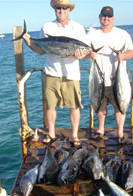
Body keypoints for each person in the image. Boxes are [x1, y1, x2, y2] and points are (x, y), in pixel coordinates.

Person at [22, 0, 87, 146]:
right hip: (51, 72)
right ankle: (51, 134)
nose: (61, 10)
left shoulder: (77, 27)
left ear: (69, 9)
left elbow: (83, 52)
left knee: (74, 106)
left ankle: (74, 135)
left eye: (65, 7)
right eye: (58, 7)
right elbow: (40, 50)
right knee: (50, 106)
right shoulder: (47, 27)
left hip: (72, 74)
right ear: (55, 9)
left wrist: (79, 55)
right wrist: (27, 40)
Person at [88, 6, 133, 142]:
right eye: (104, 16)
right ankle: (101, 129)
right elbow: (82, 53)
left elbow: (132, 52)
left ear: (113, 18)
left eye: (109, 16)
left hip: (118, 80)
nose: (106, 19)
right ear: (99, 17)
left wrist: (123, 56)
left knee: (119, 107)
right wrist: (89, 54)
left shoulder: (122, 34)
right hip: (99, 79)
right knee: (100, 107)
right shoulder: (92, 34)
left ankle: (120, 132)